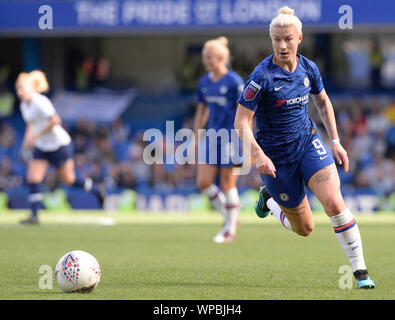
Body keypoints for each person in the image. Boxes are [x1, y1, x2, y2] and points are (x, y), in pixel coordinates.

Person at [234, 7, 375, 289]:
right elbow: (241, 121)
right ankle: (270, 201)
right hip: (275, 160)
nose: (282, 45)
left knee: (334, 203)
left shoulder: (309, 68)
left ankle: (360, 273)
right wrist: (258, 154)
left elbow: (322, 102)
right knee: (305, 229)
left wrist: (335, 142)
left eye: (287, 39)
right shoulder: (261, 77)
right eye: (277, 40)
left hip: (309, 143)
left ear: (299, 38)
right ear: (271, 39)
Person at [15, 70, 105, 224]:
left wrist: (37, 136)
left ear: (31, 88)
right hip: (42, 147)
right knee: (33, 178)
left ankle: (96, 189)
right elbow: (31, 124)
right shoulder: (24, 105)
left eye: (22, 87)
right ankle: (35, 215)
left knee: (68, 179)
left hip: (59, 144)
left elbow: (55, 120)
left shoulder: (40, 101)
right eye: (18, 88)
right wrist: (25, 144)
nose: (19, 91)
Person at [194, 36, 244, 243]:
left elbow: (246, 111)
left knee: (227, 184)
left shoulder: (234, 81)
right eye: (204, 56)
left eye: (210, 56)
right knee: (203, 182)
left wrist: (249, 141)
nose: (206, 60)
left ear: (221, 57)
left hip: (232, 137)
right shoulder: (204, 82)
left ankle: (229, 231)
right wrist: (196, 137)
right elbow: (201, 111)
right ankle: (229, 217)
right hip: (212, 137)